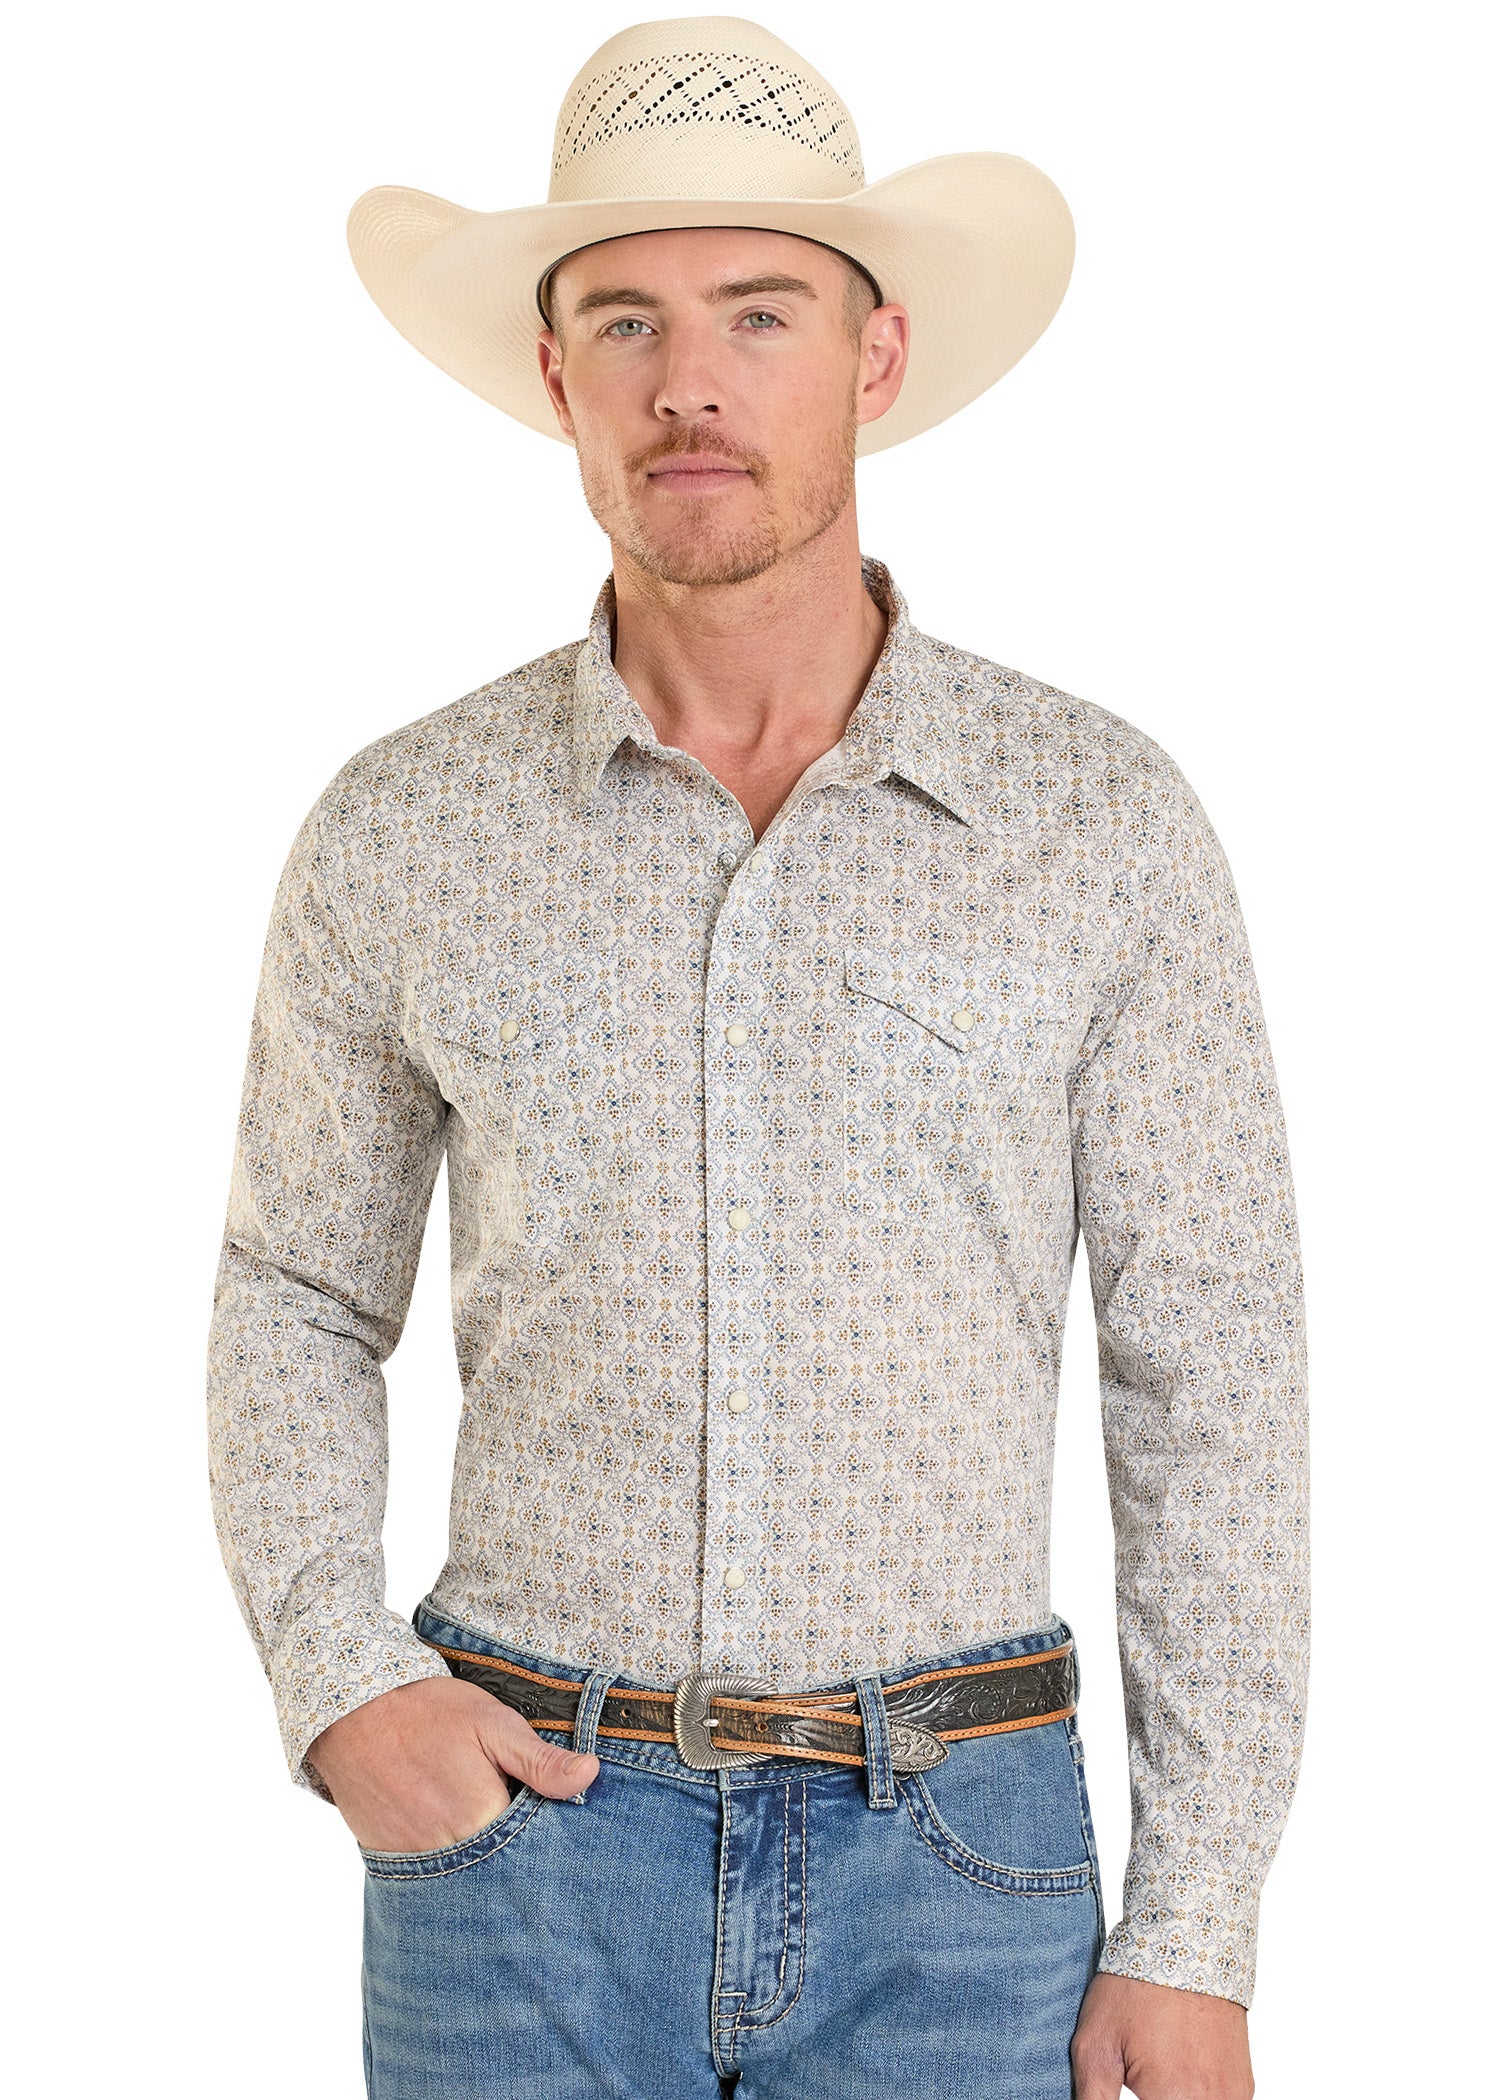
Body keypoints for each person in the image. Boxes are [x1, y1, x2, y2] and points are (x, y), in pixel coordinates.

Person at [206, 18, 1309, 2099]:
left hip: (962, 1868)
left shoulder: (1098, 820)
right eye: (624, 320)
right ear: (557, 376)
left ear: (875, 358)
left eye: (758, 312)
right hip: (518, 1851)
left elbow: (1215, 1373)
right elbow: (294, 1295)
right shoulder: (404, 825)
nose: (687, 382)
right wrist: (343, 1687)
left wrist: (1198, 1927)